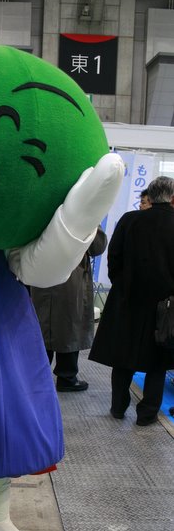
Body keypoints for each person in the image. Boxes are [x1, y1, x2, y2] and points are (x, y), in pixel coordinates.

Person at [89, 176, 174, 426]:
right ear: (171, 197)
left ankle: (118, 407)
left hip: (127, 299)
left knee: (123, 356)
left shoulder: (129, 220)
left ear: (151, 196)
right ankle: (147, 415)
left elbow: (113, 257)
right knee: (158, 361)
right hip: (164, 305)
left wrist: (121, 284)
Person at [30, 226, 107, 392]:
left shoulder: (42, 210)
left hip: (42, 272)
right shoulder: (83, 213)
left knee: (43, 324)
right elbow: (97, 247)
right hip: (70, 275)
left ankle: (37, 376)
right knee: (69, 326)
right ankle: (67, 376)